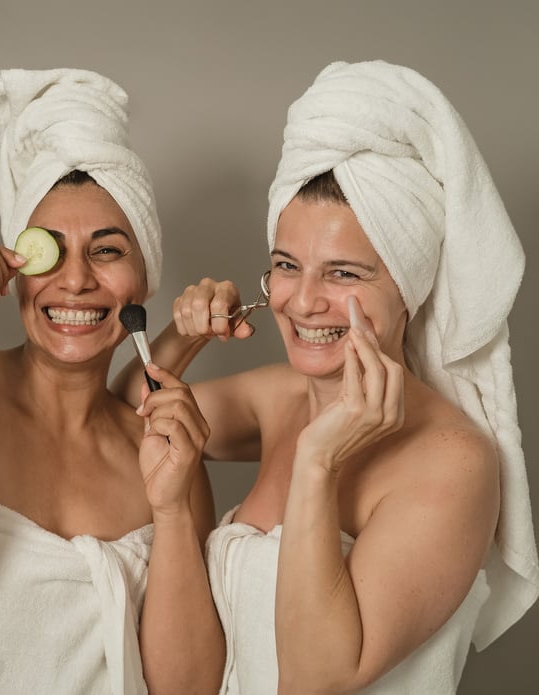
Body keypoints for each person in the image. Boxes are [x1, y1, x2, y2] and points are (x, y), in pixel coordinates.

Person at [115, 60, 539, 694]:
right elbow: (132, 410)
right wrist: (185, 335)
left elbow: (314, 679)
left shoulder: (453, 462)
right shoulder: (276, 397)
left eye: (344, 274)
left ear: (409, 290)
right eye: (287, 265)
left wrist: (318, 461)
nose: (303, 300)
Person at [0, 68, 224, 694]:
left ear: (144, 278)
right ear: (14, 270)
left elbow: (188, 689)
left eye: (107, 250)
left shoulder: (166, 450)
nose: (76, 280)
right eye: (49, 251)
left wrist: (168, 507)